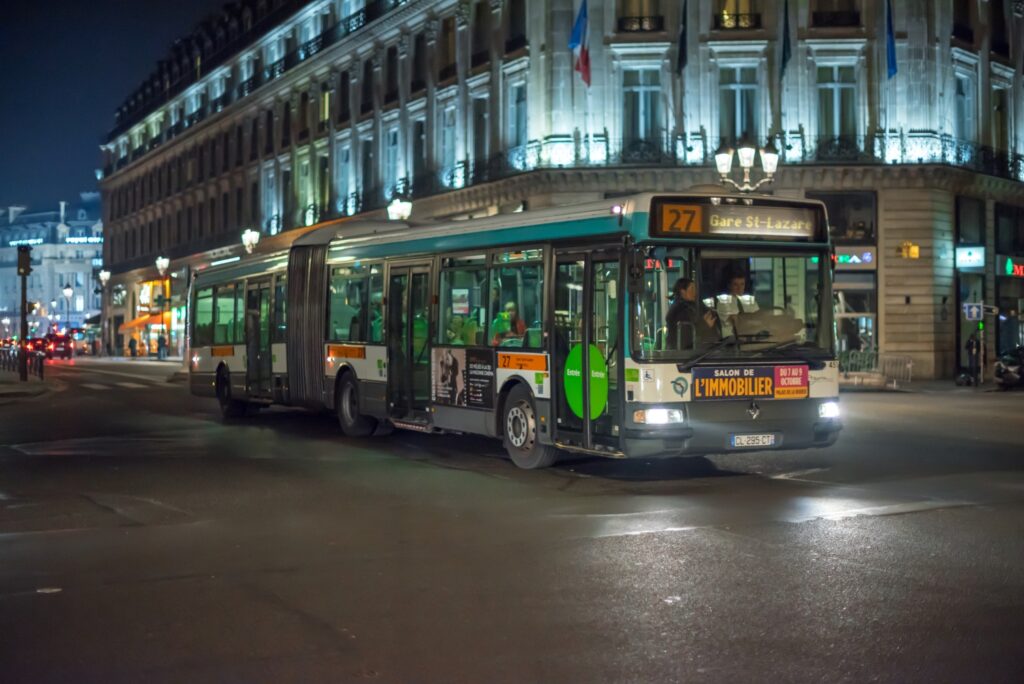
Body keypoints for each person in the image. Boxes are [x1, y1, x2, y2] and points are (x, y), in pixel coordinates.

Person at [665, 278, 719, 350]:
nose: (695, 292)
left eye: (695, 288)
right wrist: (704, 325)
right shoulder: (679, 310)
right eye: (692, 288)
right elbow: (685, 336)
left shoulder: (694, 306)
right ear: (683, 292)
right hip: (683, 356)